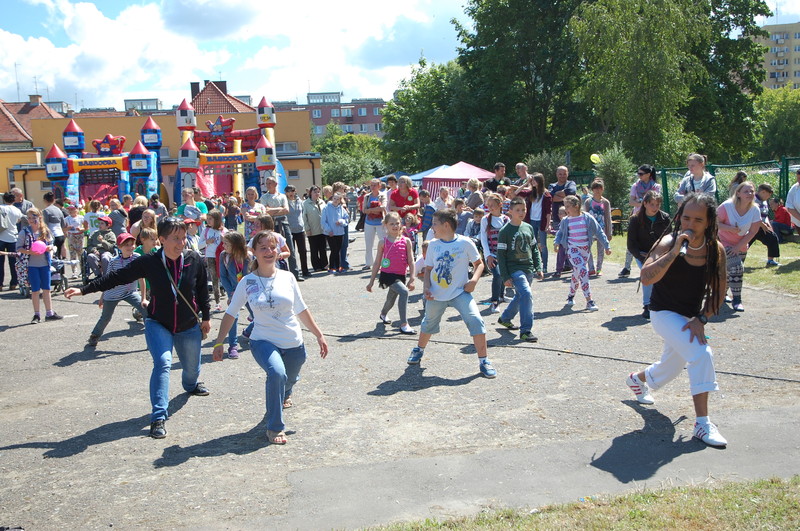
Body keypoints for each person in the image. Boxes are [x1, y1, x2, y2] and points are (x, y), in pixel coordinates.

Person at [65, 217, 212, 439]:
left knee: (191, 370)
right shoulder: (149, 261)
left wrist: (206, 318)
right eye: (175, 239)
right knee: (162, 363)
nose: (181, 243)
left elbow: (202, 291)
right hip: (157, 322)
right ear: (161, 240)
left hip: (188, 325)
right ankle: (158, 417)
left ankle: (190, 385)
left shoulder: (194, 259)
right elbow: (117, 277)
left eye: (183, 238)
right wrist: (85, 290)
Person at [625, 192, 728, 448]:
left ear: (709, 223)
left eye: (698, 220)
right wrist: (673, 253)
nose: (690, 225)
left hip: (690, 316)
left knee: (670, 368)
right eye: (686, 218)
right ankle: (702, 424)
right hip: (662, 313)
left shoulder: (716, 250)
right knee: (702, 354)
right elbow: (646, 278)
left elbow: (720, 291)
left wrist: (702, 318)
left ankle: (636, 379)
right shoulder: (669, 242)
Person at [211, 230, 328, 445]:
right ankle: (275, 427)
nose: (268, 251)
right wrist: (220, 341)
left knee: (287, 378)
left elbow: (302, 309)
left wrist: (319, 335)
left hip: (293, 342)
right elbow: (231, 312)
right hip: (262, 340)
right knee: (276, 373)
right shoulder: (247, 282)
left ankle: (287, 389)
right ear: (253, 251)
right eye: (263, 247)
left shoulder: (288, 277)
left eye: (272, 247)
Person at [408, 209, 496, 379]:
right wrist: (426, 287)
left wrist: (474, 281)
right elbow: (428, 270)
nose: (432, 227)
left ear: (446, 225)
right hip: (436, 295)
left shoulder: (465, 242)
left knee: (476, 320)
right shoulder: (433, 244)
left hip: (460, 293)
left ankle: (484, 361)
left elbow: (479, 264)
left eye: (435, 224)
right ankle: (419, 349)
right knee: (428, 324)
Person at [496, 197, 544, 342]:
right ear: (510, 211)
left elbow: (534, 249)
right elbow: (501, 256)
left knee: (520, 296)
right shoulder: (505, 231)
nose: (521, 212)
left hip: (528, 268)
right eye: (518, 210)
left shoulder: (528, 227)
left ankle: (505, 318)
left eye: (523, 209)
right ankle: (526, 331)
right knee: (526, 293)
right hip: (514, 269)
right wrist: (505, 276)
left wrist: (538, 266)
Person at [85, 233, 146, 346]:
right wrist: (102, 297)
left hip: (130, 292)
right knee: (106, 317)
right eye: (126, 245)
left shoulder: (137, 257)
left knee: (146, 310)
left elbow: (141, 279)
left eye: (132, 244)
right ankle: (95, 335)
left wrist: (144, 298)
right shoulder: (114, 261)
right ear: (119, 247)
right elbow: (107, 280)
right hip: (113, 293)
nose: (130, 247)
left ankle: (152, 333)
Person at [554, 195, 611, 311]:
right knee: (583, 271)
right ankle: (589, 301)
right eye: (565, 207)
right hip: (572, 250)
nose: (566, 209)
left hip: (585, 251)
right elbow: (560, 233)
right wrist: (556, 243)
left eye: (568, 207)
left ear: (576, 206)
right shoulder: (566, 221)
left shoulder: (587, 218)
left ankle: (570, 296)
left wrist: (606, 246)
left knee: (577, 274)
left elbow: (599, 231)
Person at [366, 212, 416, 334]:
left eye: (397, 223)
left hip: (401, 275)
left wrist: (412, 278)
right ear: (385, 225)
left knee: (391, 299)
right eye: (391, 224)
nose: (395, 226)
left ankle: (383, 314)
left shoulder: (406, 241)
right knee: (404, 292)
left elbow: (411, 260)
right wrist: (371, 281)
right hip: (387, 274)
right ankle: (404, 324)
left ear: (401, 224)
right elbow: (377, 262)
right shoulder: (383, 242)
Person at [717, 181, 761, 312]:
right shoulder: (726, 206)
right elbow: (713, 223)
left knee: (730, 272)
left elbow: (753, 231)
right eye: (746, 191)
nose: (750, 194)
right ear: (738, 193)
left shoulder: (755, 209)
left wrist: (738, 247)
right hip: (723, 242)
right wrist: (730, 228)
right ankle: (737, 300)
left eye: (752, 191)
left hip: (741, 244)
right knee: (736, 268)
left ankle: (722, 294)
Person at [626, 191, 671, 319]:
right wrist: (642, 257)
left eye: (657, 204)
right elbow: (631, 244)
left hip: (661, 254)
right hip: (642, 254)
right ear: (644, 203)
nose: (655, 207)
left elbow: (670, 238)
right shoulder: (635, 219)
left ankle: (664, 304)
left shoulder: (665, 218)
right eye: (652, 204)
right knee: (648, 274)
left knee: (664, 277)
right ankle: (647, 305)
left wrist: (665, 255)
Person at [16, 208, 63, 322]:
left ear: (39, 217)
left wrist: (50, 248)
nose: (31, 220)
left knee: (46, 289)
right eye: (29, 218)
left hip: (44, 264)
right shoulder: (25, 232)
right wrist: (29, 252)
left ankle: (49, 312)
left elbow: (53, 245)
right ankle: (36, 314)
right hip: (31, 265)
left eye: (34, 217)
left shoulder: (45, 231)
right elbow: (18, 248)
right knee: (35, 290)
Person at [619, 164, 663, 278]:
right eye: (638, 173)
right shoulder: (635, 186)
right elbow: (631, 201)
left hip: (652, 217)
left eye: (641, 174)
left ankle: (653, 265)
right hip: (638, 216)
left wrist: (646, 205)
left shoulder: (656, 186)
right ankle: (627, 267)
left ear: (648, 174)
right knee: (632, 241)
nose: (639, 176)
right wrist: (643, 204)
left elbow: (656, 201)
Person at [218, 231, 253, 360]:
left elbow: (249, 276)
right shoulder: (223, 256)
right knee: (233, 315)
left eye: (226, 244)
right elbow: (223, 276)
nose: (223, 246)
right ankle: (233, 346)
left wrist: (244, 291)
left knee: (257, 315)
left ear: (236, 245)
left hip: (249, 290)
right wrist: (231, 293)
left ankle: (248, 331)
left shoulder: (248, 256)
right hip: (233, 290)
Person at [260, 176, 301, 280]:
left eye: (270, 183)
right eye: (267, 183)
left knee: (289, 247)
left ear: (275, 184)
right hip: (271, 223)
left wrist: (272, 209)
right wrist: (279, 209)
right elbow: (265, 211)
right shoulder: (264, 197)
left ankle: (295, 273)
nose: (268, 185)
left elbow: (286, 210)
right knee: (272, 248)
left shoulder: (282, 196)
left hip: (283, 222)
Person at [515, 173, 551, 275]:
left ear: (540, 181)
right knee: (532, 245)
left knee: (543, 245)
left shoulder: (546, 195)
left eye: (535, 180)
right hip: (531, 221)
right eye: (533, 180)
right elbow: (517, 193)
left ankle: (545, 267)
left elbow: (548, 212)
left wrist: (548, 225)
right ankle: (536, 266)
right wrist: (526, 182)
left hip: (541, 221)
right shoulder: (531, 192)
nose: (533, 182)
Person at [480, 193, 510, 313]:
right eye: (488, 205)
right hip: (492, 254)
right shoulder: (485, 219)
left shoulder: (506, 219)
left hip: (504, 254)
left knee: (503, 274)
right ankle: (494, 302)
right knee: (497, 275)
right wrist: (488, 255)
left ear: (500, 205)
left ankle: (501, 296)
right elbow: (483, 238)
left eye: (493, 205)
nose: (490, 208)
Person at [548, 166, 577, 278]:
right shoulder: (552, 185)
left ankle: (569, 264)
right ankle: (562, 265)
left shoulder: (571, 183)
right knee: (560, 242)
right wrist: (564, 196)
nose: (562, 176)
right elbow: (550, 197)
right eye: (560, 174)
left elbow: (572, 192)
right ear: (556, 174)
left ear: (567, 174)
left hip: (570, 217)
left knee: (571, 241)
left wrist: (557, 195)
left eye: (564, 173)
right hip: (556, 217)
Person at [583, 179, 612, 276]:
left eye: (599, 188)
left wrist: (609, 232)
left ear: (602, 189)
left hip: (601, 229)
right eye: (595, 188)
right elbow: (585, 216)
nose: (597, 190)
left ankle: (599, 269)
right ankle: (591, 268)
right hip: (590, 230)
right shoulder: (588, 201)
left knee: (601, 250)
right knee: (587, 249)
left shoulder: (605, 202)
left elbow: (608, 218)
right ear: (592, 190)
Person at [749, 183, 781, 267]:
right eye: (768, 194)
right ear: (763, 192)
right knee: (744, 244)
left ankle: (770, 260)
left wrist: (769, 225)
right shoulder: (753, 200)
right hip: (751, 227)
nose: (769, 197)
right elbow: (752, 216)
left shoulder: (764, 201)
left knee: (772, 238)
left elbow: (765, 215)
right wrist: (762, 225)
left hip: (762, 227)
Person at [200, 210, 225, 312]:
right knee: (214, 278)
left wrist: (224, 240)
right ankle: (218, 302)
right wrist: (207, 241)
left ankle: (231, 298)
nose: (208, 221)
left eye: (210, 219)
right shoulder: (205, 231)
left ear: (217, 219)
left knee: (224, 277)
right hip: (210, 257)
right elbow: (199, 245)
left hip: (222, 257)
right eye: (208, 218)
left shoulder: (223, 230)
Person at [0, 191, 24, 290]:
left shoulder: (1, 208)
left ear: (4, 199)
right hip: (13, 237)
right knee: (13, 262)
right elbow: (19, 220)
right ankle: (14, 283)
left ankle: (0, 284)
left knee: (0, 263)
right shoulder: (16, 210)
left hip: (1, 236)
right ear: (13, 200)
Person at [361, 179, 386, 270]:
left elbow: (383, 207)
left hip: (380, 222)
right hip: (369, 222)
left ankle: (384, 263)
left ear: (379, 186)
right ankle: (368, 263)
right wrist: (375, 209)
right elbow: (364, 210)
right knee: (368, 244)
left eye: (375, 185)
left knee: (383, 243)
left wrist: (371, 210)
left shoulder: (383, 195)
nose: (373, 187)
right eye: (371, 185)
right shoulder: (367, 196)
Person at [321, 192, 349, 272]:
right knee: (334, 250)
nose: (336, 200)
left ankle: (338, 267)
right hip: (330, 233)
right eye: (334, 198)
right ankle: (331, 267)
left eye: (338, 199)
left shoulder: (341, 208)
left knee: (338, 249)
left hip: (340, 232)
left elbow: (346, 219)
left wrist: (341, 221)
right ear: (332, 198)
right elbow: (323, 221)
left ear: (340, 200)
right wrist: (328, 230)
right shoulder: (326, 208)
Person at [302, 186, 327, 272]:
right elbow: (304, 217)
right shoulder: (305, 203)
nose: (317, 194)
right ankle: (316, 266)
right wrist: (307, 229)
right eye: (315, 192)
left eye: (318, 192)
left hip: (322, 230)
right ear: (310, 193)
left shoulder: (322, 202)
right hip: (312, 230)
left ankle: (324, 264)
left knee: (323, 248)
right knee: (314, 249)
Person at [64, 204, 87, 279]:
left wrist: (81, 229)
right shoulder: (67, 219)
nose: (70, 211)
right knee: (72, 254)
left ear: (76, 210)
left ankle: (82, 271)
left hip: (79, 236)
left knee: (80, 254)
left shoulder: (81, 218)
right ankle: (74, 272)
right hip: (71, 236)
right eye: (69, 210)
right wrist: (67, 228)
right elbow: (63, 229)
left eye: (72, 209)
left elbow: (86, 227)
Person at [42, 192, 66, 260]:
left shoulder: (46, 211)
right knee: (59, 256)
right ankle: (61, 270)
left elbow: (45, 224)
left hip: (52, 235)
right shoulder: (58, 210)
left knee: (52, 256)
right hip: (60, 234)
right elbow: (63, 224)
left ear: (45, 200)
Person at [783, 168, 800, 237]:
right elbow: (789, 206)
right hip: (798, 222)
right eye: (798, 178)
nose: (799, 180)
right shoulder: (794, 188)